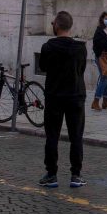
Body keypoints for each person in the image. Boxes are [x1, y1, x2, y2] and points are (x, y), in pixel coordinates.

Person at [39, 11, 88, 188]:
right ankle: (76, 174)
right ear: (70, 26)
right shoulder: (80, 48)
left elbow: (43, 67)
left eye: (53, 23)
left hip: (55, 95)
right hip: (75, 95)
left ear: (57, 26)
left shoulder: (48, 47)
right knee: (76, 137)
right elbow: (81, 69)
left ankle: (51, 174)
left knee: (52, 136)